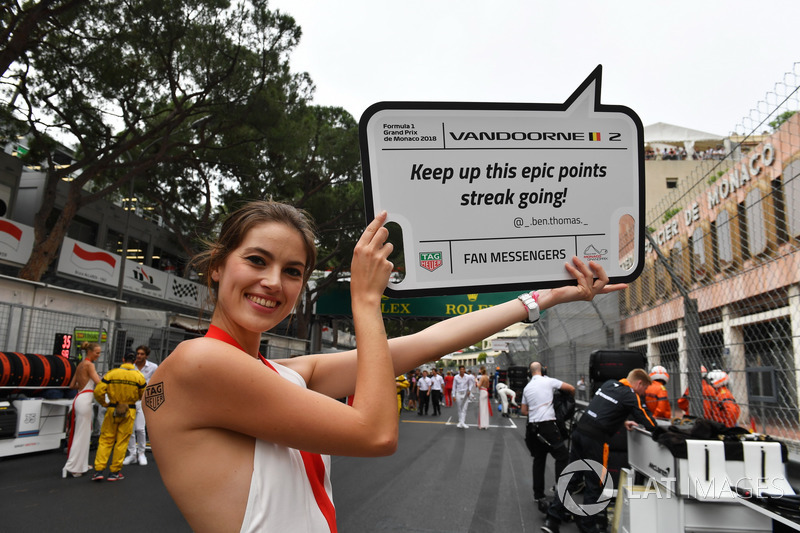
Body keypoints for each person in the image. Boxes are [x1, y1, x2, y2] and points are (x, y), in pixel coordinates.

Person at [142, 200, 624, 532]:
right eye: (257, 260)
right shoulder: (201, 361)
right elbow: (375, 433)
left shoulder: (281, 373)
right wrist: (367, 303)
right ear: (217, 267)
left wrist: (543, 299)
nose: (273, 282)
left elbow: (424, 342)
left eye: (292, 271)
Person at [543, 369, 656, 533]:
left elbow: (606, 408)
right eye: (644, 389)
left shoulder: (609, 384)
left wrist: (621, 421)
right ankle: (587, 525)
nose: (643, 392)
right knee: (595, 482)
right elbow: (646, 419)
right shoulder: (631, 395)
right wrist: (661, 432)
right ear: (639, 383)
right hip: (595, 439)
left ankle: (552, 520)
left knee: (572, 477)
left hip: (579, 431)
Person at [521, 362, 574, 503]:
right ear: (543, 370)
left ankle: (538, 495)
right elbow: (571, 388)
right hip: (548, 426)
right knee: (562, 456)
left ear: (530, 372)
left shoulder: (527, 388)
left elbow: (524, 411)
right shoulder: (549, 381)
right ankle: (560, 491)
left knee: (539, 460)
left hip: (533, 428)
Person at [92, 351, 147, 481]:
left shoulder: (112, 373)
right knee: (122, 442)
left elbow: (98, 391)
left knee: (106, 439)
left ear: (123, 359)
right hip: (130, 410)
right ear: (134, 361)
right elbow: (144, 394)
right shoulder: (139, 376)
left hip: (112, 409)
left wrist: (104, 403)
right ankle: (114, 472)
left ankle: (99, 470)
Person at [61, 342, 103, 478]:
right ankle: (73, 466)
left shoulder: (80, 365)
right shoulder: (89, 365)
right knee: (82, 434)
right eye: (97, 352)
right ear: (89, 352)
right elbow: (99, 383)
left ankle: (80, 464)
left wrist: (84, 388)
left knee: (83, 433)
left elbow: (72, 385)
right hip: (85, 400)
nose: (98, 355)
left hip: (79, 397)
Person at [123, 345, 158, 466]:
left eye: (142, 354)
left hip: (143, 400)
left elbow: (157, 382)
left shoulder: (153, 367)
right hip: (130, 400)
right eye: (138, 353)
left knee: (140, 428)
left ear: (146, 356)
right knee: (130, 430)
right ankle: (132, 454)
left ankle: (141, 453)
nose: (139, 356)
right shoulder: (130, 367)